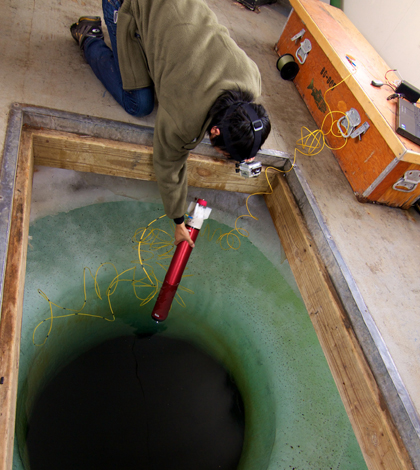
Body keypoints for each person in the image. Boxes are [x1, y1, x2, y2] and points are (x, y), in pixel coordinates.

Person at [70, 0, 271, 247]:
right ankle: (89, 37)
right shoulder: (185, 118)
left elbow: (250, 120)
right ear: (215, 130)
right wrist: (177, 220)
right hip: (130, 4)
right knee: (139, 103)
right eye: (225, 152)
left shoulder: (251, 79)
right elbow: (168, 164)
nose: (223, 156)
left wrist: (247, 147)